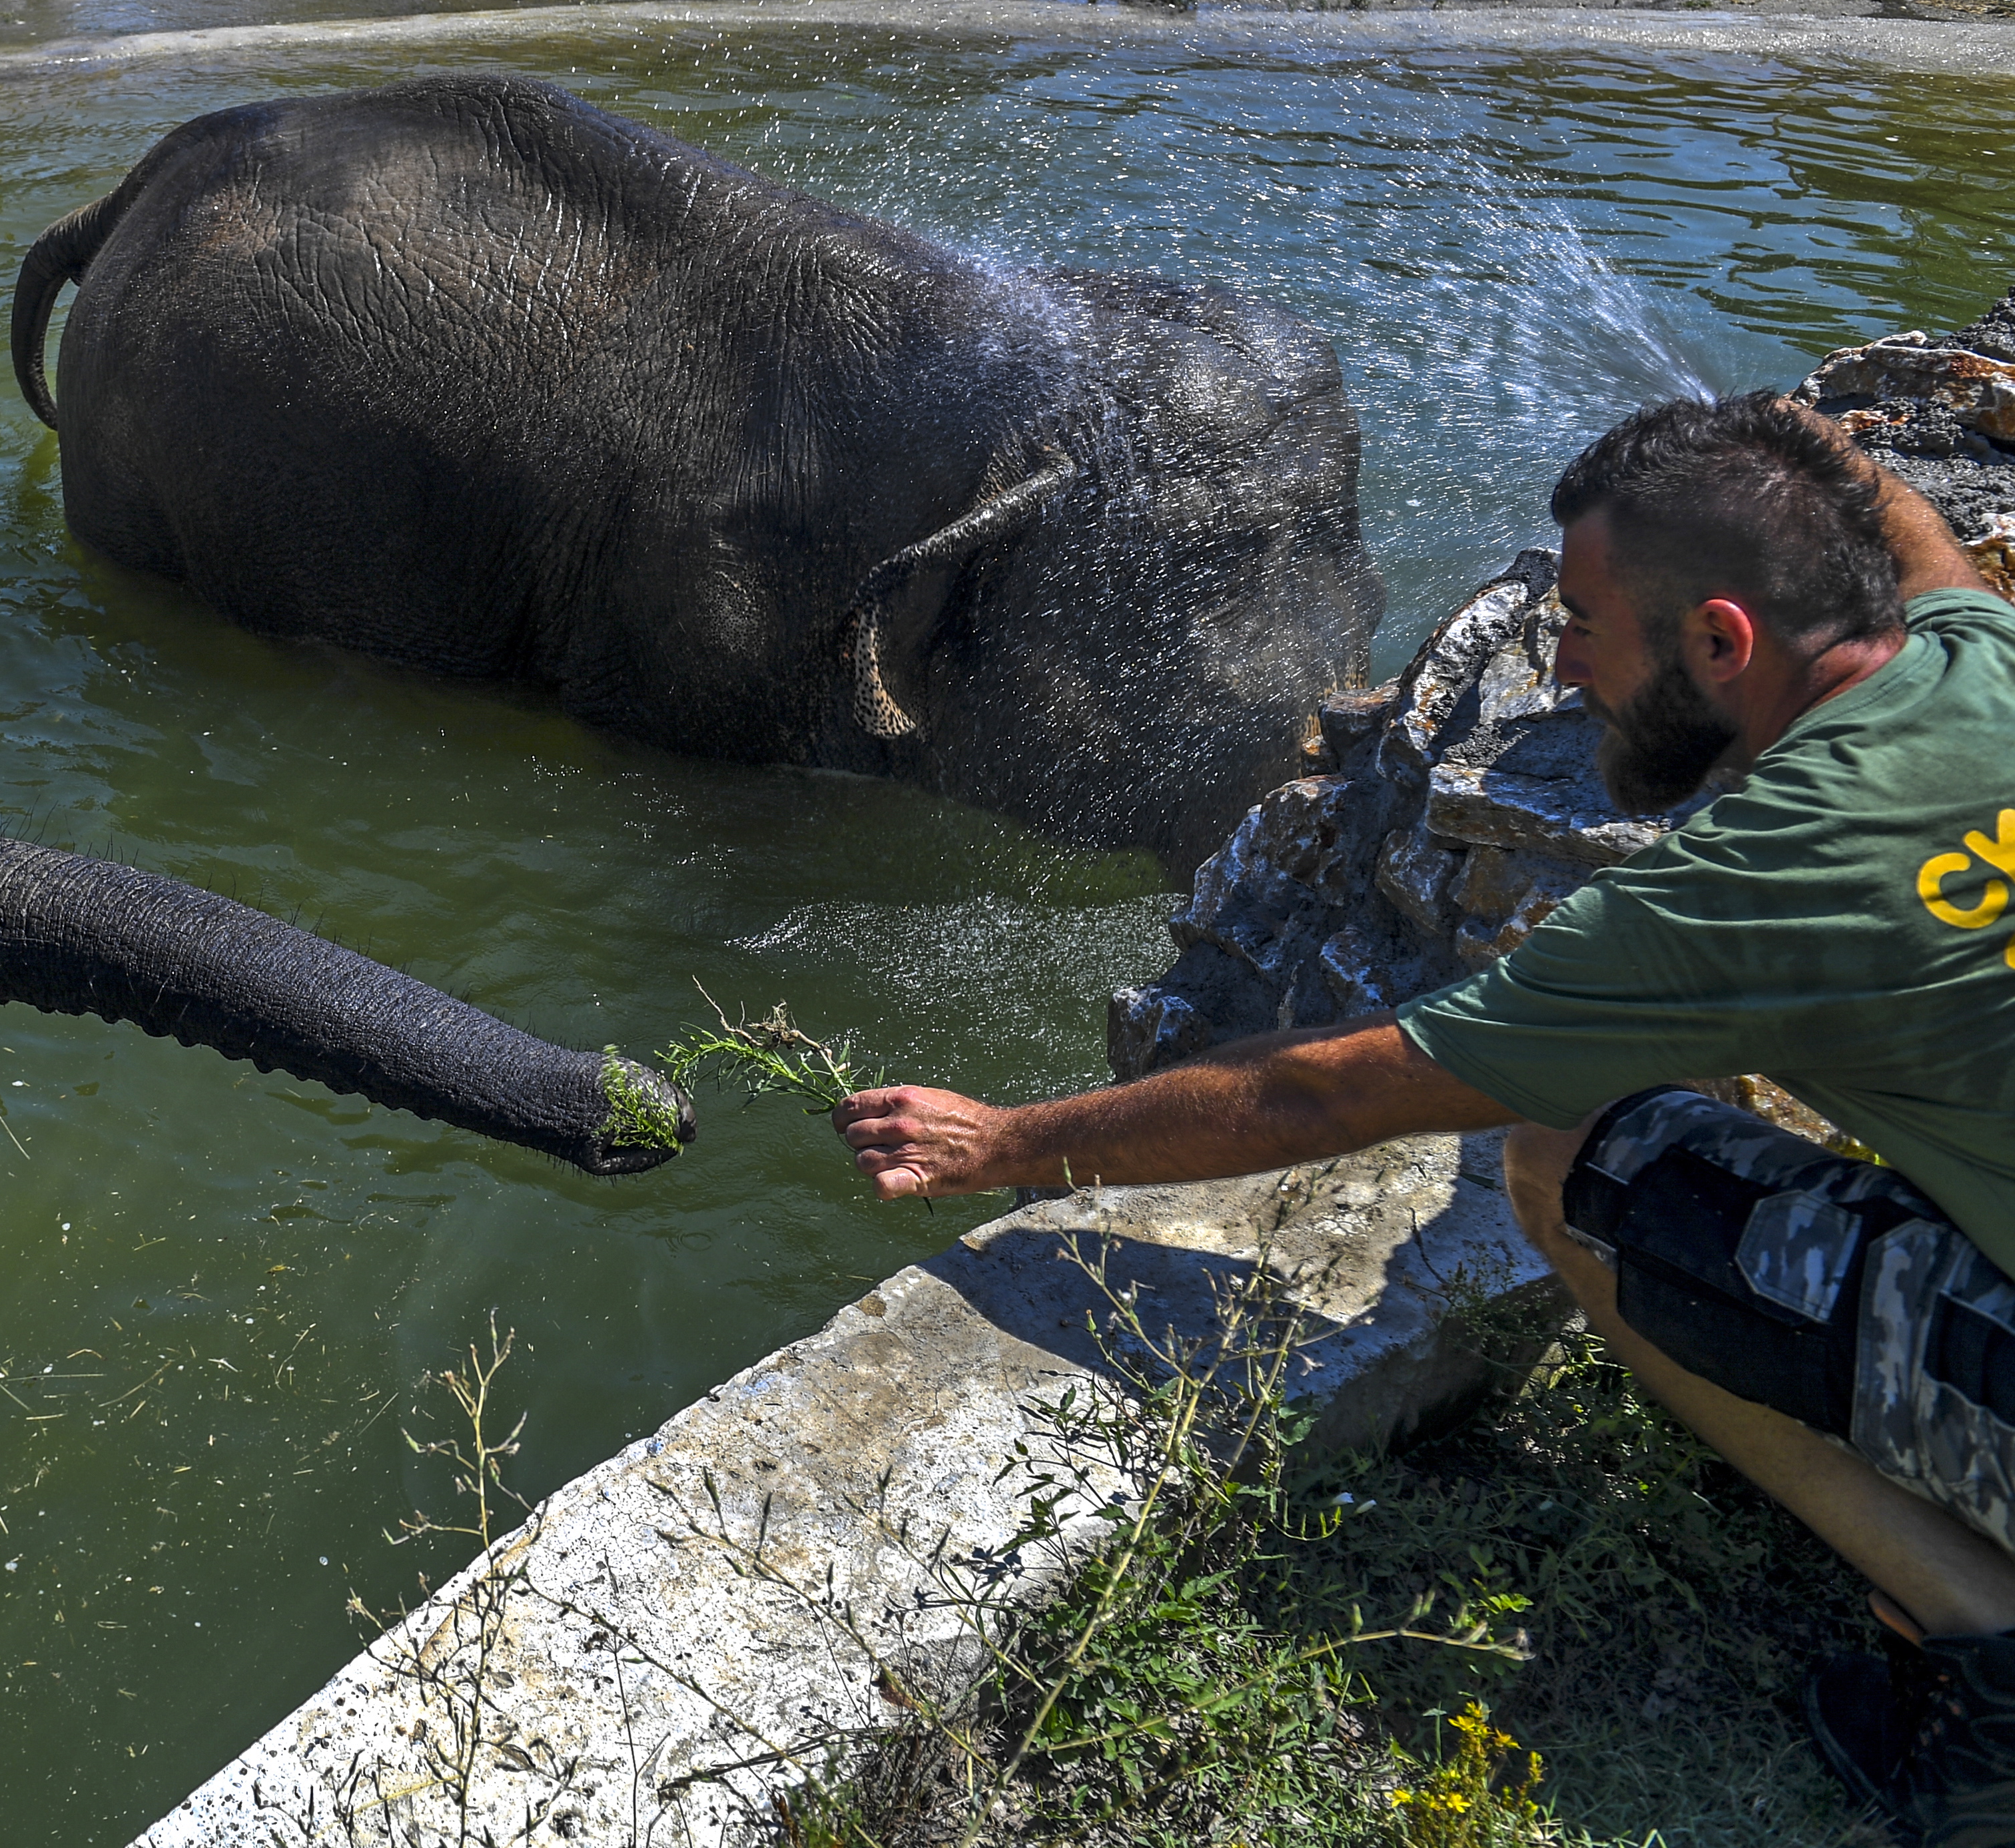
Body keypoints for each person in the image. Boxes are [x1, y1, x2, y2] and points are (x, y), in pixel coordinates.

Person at [829, 389, 2015, 1845]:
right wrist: (1815, 456)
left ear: (1722, 640)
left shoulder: (1754, 881)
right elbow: (1933, 548)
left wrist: (1008, 1143)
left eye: (1584, 620)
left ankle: (1987, 1646)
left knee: (1576, 1166)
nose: (1556, 656)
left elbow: (1326, 1084)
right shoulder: (1981, 657)